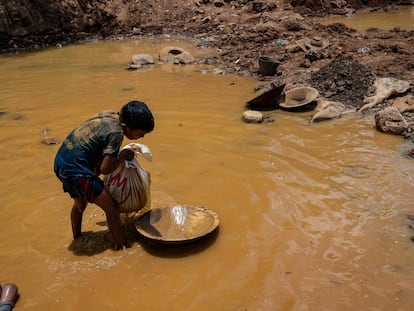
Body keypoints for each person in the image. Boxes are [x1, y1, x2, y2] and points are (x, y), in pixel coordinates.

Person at [54, 100, 155, 250]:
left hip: (62, 162)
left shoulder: (111, 115)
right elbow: (106, 168)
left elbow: (96, 143)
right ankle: (121, 247)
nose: (141, 138)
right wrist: (122, 156)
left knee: (80, 204)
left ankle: (77, 238)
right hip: (77, 170)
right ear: (125, 127)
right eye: (139, 134)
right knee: (112, 208)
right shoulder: (116, 134)